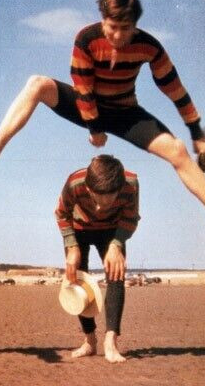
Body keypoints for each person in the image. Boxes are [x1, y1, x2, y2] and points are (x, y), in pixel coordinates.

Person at [0, 0, 205, 234]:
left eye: (125, 29)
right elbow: (82, 86)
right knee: (37, 84)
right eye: (111, 27)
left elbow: (174, 89)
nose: (116, 35)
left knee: (177, 150)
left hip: (125, 112)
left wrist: (196, 132)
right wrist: (94, 127)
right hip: (86, 104)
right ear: (103, 20)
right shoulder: (87, 39)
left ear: (135, 26)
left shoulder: (149, 47)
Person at [56, 155, 138, 363]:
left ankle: (111, 341)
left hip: (112, 230)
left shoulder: (130, 185)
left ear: (119, 189)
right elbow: (62, 213)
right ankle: (89, 340)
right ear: (88, 188)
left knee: (116, 275)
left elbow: (130, 217)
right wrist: (71, 246)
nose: (100, 209)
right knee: (77, 282)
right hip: (79, 229)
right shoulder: (75, 182)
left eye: (108, 202)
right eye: (95, 200)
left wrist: (117, 244)